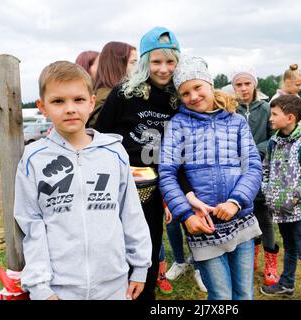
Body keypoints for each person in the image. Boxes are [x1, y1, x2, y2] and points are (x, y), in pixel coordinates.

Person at [13, 61, 152, 300]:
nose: (69, 109)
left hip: (114, 283)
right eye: (58, 101)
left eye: (78, 100)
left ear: (91, 102)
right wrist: (40, 287)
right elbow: (31, 222)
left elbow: (130, 211)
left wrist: (140, 267)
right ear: (42, 107)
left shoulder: (114, 152)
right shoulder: (34, 158)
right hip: (60, 287)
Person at [159, 56, 263, 300]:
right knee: (220, 295)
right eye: (185, 93)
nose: (193, 96)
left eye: (197, 87)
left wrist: (236, 200)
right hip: (203, 225)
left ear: (209, 84)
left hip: (241, 219)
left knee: (244, 293)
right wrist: (185, 214)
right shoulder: (177, 125)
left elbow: (254, 166)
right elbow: (167, 173)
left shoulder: (237, 122)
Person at [94, 26, 182, 300]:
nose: (164, 68)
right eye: (156, 61)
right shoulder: (124, 94)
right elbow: (99, 137)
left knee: (149, 249)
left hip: (156, 187)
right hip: (120, 188)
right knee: (117, 249)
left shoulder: (178, 98)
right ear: (145, 62)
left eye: (170, 61)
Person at [259, 94, 301, 300]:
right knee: (289, 248)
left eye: (274, 114)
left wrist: (294, 196)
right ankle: (286, 284)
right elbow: (266, 170)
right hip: (279, 210)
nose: (270, 118)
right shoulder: (273, 143)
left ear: (290, 118)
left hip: (298, 211)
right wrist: (268, 190)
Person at [230, 66, 280, 286]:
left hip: (261, 169)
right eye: (239, 84)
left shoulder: (266, 108)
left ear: (254, 85)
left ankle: (271, 263)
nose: (243, 88)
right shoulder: (230, 109)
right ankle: (250, 257)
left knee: (264, 217)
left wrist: (256, 149)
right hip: (236, 172)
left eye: (247, 83)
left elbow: (275, 135)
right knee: (243, 217)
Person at [87, 41, 138, 128]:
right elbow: (98, 134)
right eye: (133, 63)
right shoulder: (107, 98)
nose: (137, 69)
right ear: (118, 65)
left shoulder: (108, 94)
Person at [270, 64, 301, 134]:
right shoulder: (276, 99)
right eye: (297, 85)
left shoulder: (297, 98)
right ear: (288, 82)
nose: (300, 88)